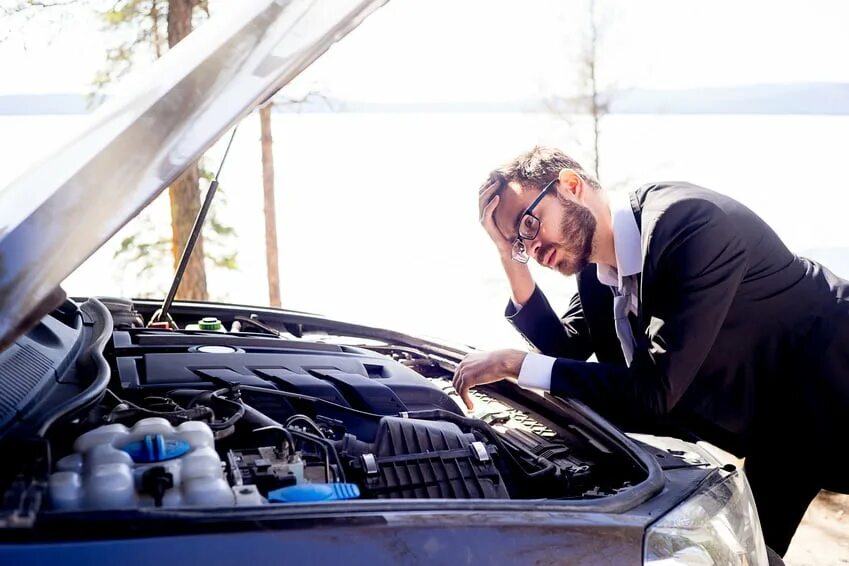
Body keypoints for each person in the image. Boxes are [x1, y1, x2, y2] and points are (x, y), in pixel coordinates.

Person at [452, 145, 849, 556]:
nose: (531, 249)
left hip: (836, 383)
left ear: (570, 186)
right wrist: (508, 257)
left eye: (529, 224)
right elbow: (561, 348)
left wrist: (516, 365)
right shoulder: (596, 273)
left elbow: (652, 392)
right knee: (737, 553)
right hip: (779, 427)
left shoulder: (688, 225)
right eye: (519, 242)